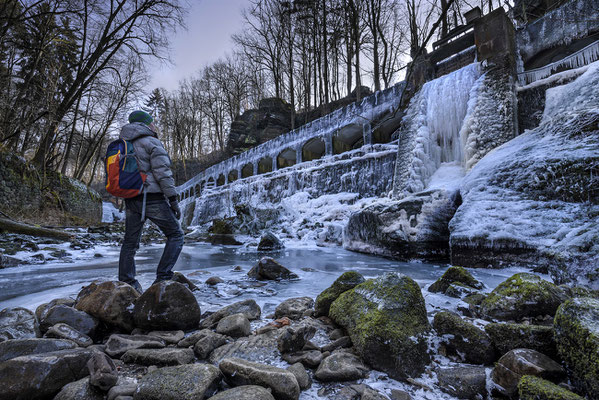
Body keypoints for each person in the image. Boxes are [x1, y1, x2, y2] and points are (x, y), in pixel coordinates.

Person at [118, 110, 183, 293]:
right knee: (176, 235)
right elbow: (163, 173)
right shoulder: (151, 142)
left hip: (131, 198)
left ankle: (127, 282)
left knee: (130, 243)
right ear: (145, 124)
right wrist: (173, 199)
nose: (154, 125)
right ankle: (162, 278)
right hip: (152, 197)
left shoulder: (122, 144)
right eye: (152, 123)